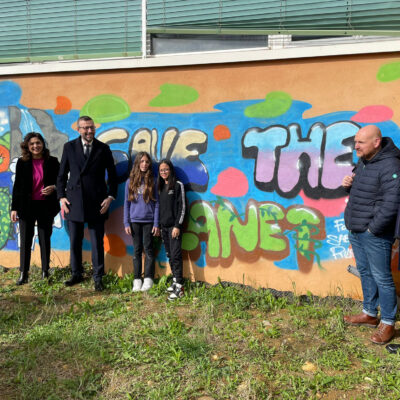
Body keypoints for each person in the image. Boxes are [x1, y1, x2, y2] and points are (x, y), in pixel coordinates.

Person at [343, 125, 400, 345]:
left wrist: (373, 229)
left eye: (361, 142)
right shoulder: (365, 161)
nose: (356, 146)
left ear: (376, 142)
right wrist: (349, 185)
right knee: (366, 272)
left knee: (382, 277)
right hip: (356, 228)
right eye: (355, 142)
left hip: (374, 233)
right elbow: (368, 193)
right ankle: (369, 313)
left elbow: (392, 202)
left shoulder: (391, 164)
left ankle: (388, 323)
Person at [57, 116, 117, 292]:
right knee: (75, 241)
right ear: (78, 129)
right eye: (85, 128)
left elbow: (113, 176)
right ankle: (76, 274)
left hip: (97, 202)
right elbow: (61, 175)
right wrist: (61, 197)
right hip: (73, 201)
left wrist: (110, 197)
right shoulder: (69, 147)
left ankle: (98, 277)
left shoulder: (103, 148)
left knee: (97, 242)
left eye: (91, 127)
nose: (89, 131)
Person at [11, 132, 60, 285]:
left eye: (38, 143)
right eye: (32, 144)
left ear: (43, 144)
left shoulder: (52, 161)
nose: (35, 146)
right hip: (26, 207)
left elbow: (61, 180)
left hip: (46, 206)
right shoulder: (22, 162)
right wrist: (14, 208)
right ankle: (23, 273)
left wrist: (54, 187)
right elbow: (17, 186)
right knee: (25, 240)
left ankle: (45, 272)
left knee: (45, 239)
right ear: (27, 146)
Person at [124, 152, 159, 292]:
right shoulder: (130, 182)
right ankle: (137, 280)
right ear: (138, 163)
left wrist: (156, 223)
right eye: (142, 161)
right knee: (137, 251)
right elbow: (126, 204)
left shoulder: (153, 181)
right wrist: (126, 223)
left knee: (149, 249)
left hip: (149, 221)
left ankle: (148, 279)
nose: (144, 164)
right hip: (134, 221)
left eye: (147, 162)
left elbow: (157, 204)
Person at [157, 159, 186, 300]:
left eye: (166, 169)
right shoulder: (161, 187)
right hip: (164, 228)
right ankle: (175, 281)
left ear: (171, 170)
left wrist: (177, 226)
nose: (164, 172)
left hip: (174, 228)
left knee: (176, 255)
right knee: (170, 255)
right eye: (161, 170)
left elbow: (182, 207)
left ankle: (180, 287)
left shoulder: (178, 185)